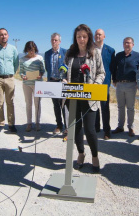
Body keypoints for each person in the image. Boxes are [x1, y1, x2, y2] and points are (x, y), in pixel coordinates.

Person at [64, 24, 105, 172]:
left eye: (84, 36)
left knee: (90, 129)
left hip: (89, 96)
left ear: (88, 38)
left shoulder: (95, 52)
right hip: (72, 96)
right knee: (75, 128)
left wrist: (95, 84)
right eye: (78, 36)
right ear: (75, 38)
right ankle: (81, 153)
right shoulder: (70, 53)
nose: (81, 39)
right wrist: (63, 79)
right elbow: (64, 69)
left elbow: (102, 73)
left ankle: (95, 156)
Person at [112, 37, 139, 137]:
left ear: (133, 44)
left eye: (128, 43)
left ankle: (131, 127)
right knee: (120, 107)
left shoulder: (138, 56)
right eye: (125, 43)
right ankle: (120, 126)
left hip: (131, 84)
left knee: (130, 107)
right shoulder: (119, 55)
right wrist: (114, 79)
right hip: (119, 84)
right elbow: (114, 68)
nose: (126, 44)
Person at [44, 33, 68, 135]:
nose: (54, 42)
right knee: (56, 105)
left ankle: (67, 128)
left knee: (64, 105)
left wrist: (66, 79)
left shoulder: (65, 52)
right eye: (52, 40)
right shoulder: (47, 53)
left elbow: (68, 67)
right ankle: (59, 125)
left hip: (62, 82)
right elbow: (47, 68)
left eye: (56, 40)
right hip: (52, 82)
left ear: (59, 41)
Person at [94, 29, 115, 140]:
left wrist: (113, 80)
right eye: (96, 34)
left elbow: (112, 67)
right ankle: (96, 127)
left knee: (105, 107)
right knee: (93, 106)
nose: (98, 36)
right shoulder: (89, 49)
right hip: (92, 82)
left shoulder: (110, 50)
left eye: (100, 34)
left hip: (105, 83)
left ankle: (107, 130)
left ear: (104, 36)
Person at [19, 41, 45, 132]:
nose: (31, 52)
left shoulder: (40, 58)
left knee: (37, 103)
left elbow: (43, 70)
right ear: (26, 50)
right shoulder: (22, 59)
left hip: (38, 84)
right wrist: (23, 76)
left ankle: (37, 123)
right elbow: (21, 71)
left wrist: (40, 75)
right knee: (28, 104)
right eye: (29, 50)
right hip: (27, 84)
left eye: (33, 50)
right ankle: (29, 123)